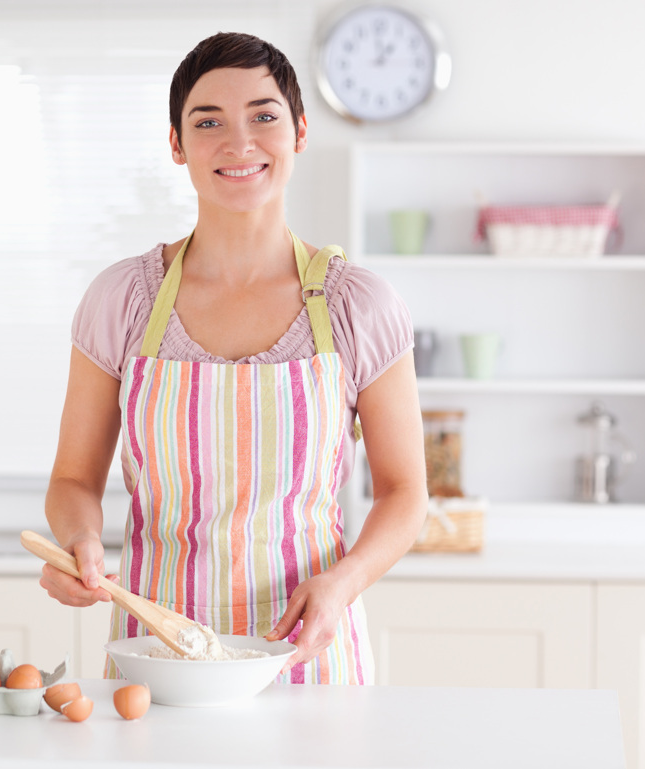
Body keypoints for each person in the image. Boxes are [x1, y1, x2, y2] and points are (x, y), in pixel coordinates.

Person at [40, 31, 427, 684]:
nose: (239, 142)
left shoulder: (358, 306)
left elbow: (406, 492)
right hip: (155, 656)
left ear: (300, 132)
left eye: (264, 116)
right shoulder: (122, 301)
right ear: (176, 143)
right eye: (208, 120)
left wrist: (344, 581)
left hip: (309, 650)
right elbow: (74, 479)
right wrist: (80, 541)